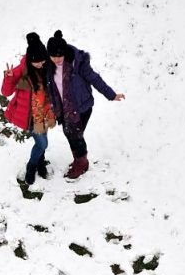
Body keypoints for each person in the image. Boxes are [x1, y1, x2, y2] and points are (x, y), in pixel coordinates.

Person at [45, 30, 125, 179]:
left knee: (75, 135)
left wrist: (111, 94)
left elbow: (94, 78)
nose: (56, 60)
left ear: (65, 53)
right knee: (69, 133)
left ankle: (82, 163)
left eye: (59, 56)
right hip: (63, 108)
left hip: (81, 107)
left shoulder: (78, 62)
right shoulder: (49, 66)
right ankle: (78, 160)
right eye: (53, 56)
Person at [1, 32, 56, 185]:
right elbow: (6, 92)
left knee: (42, 140)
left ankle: (40, 162)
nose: (40, 64)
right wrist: (9, 77)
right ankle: (31, 166)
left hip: (45, 112)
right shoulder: (21, 70)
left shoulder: (47, 67)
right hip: (29, 115)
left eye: (42, 60)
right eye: (36, 62)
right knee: (42, 143)